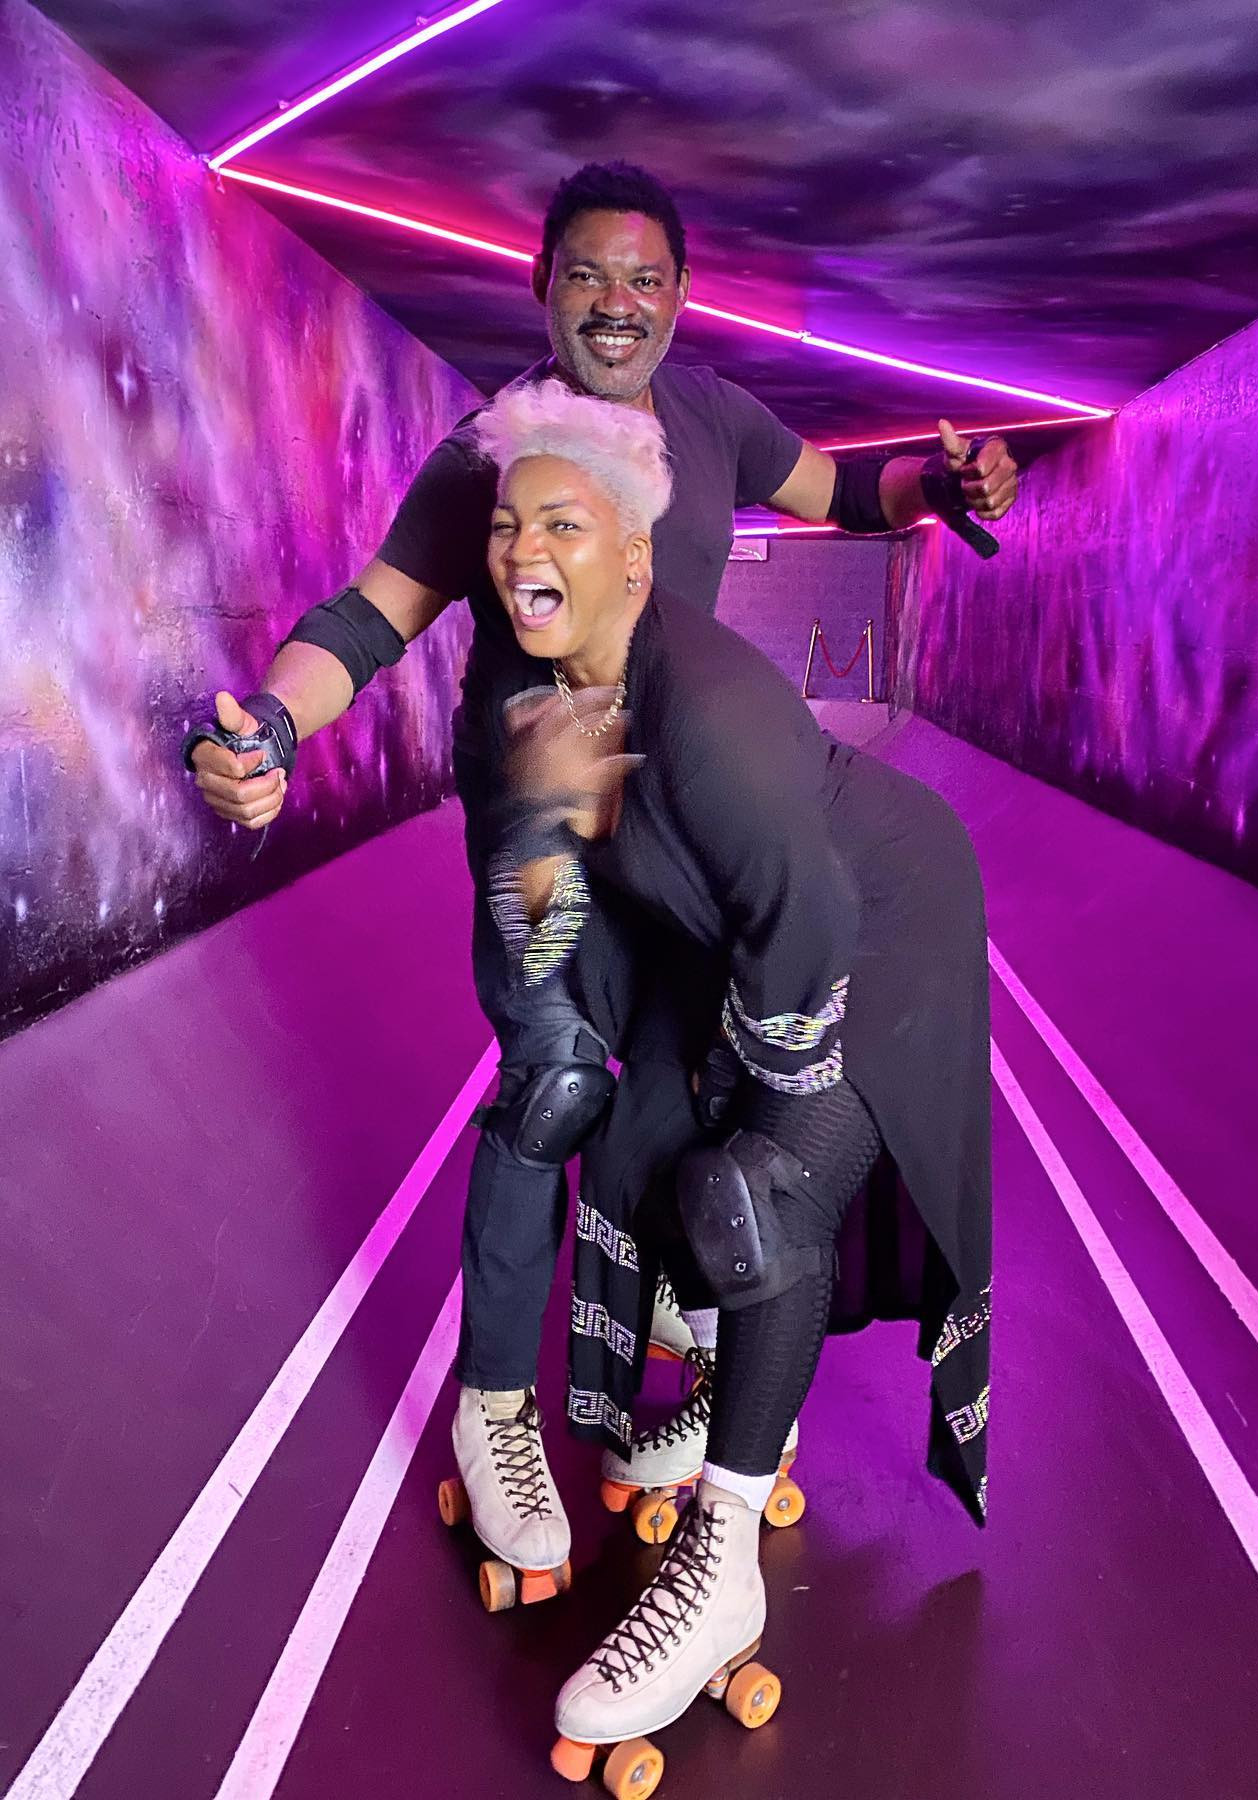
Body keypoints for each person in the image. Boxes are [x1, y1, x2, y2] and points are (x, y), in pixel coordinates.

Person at [182, 162, 1011, 1594]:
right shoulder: (488, 457)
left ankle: (699, 1359)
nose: (616, 302)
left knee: (707, 1080)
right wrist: (265, 724)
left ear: (680, 299)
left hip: (680, 814)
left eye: (644, 279)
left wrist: (944, 482)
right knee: (559, 1079)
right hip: (548, 813)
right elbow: (368, 620)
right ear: (542, 288)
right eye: (586, 274)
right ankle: (496, 1404)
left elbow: (850, 490)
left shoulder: (716, 417)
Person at [468, 378, 991, 1766]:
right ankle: (728, 1392)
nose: (526, 551)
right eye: (511, 524)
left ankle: (724, 1563)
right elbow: (558, 898)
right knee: (637, 1138)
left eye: (565, 524)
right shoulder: (557, 697)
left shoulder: (705, 711)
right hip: (750, 926)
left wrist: (744, 1084)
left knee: (755, 1192)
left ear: (637, 555)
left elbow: (804, 921)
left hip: (883, 924)